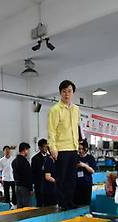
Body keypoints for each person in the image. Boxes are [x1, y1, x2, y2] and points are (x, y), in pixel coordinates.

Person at [47, 80, 80, 210]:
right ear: (60, 93)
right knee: (61, 178)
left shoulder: (76, 109)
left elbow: (77, 128)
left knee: (72, 178)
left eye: (69, 91)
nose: (67, 94)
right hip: (61, 149)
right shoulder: (55, 110)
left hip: (73, 147)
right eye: (64, 91)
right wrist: (53, 148)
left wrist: (78, 144)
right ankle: (62, 202)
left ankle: (69, 201)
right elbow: (51, 130)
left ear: (73, 93)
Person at [74, 139, 97, 206]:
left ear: (86, 149)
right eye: (79, 149)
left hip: (86, 185)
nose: (80, 151)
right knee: (76, 203)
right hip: (77, 185)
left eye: (82, 149)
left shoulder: (90, 158)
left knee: (86, 204)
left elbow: (92, 171)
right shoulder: (76, 157)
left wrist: (84, 165)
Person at [12, 142, 33, 208]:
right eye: (28, 150)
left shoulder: (14, 161)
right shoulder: (25, 162)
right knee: (26, 207)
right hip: (25, 187)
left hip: (17, 186)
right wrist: (31, 188)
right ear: (25, 150)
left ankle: (20, 218)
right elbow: (28, 176)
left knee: (19, 206)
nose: (28, 152)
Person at [31, 138, 49, 206]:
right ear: (40, 147)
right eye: (44, 146)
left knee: (48, 202)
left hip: (48, 184)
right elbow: (33, 172)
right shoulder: (35, 158)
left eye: (47, 146)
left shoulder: (49, 157)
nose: (46, 148)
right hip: (39, 184)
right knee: (40, 202)